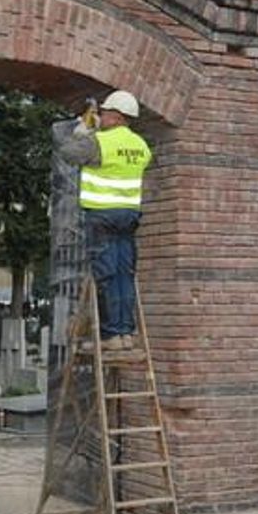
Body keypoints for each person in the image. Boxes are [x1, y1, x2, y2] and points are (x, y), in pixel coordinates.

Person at [59, 90, 152, 351]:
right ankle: (126, 333)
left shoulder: (100, 142)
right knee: (125, 273)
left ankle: (111, 335)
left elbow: (68, 153)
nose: (101, 116)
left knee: (107, 275)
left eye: (104, 113)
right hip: (129, 216)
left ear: (115, 116)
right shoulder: (140, 146)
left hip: (102, 215)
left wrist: (83, 129)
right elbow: (133, 162)